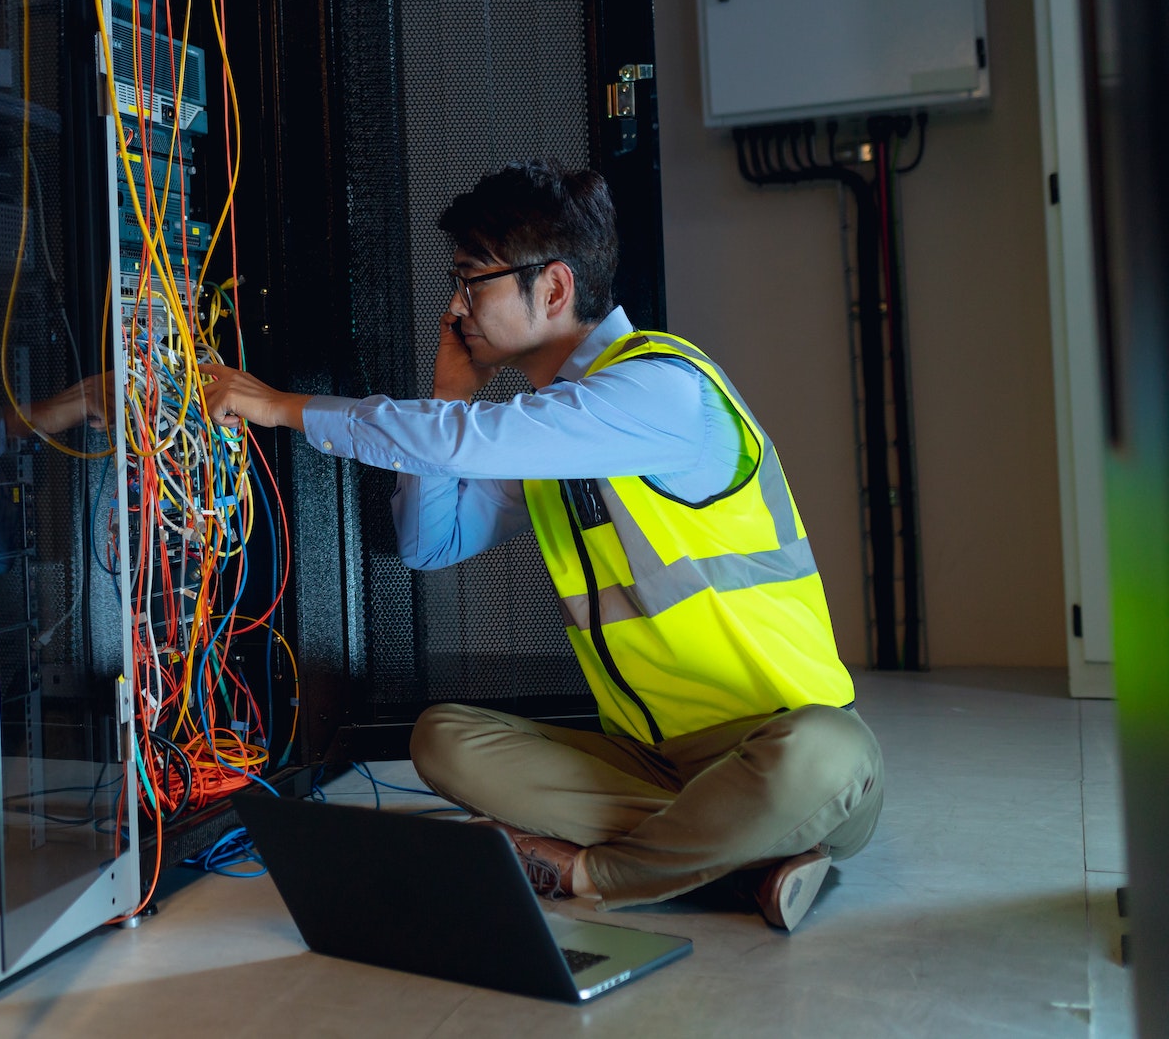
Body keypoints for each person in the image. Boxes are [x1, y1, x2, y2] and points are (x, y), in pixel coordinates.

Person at [198, 163, 881, 931]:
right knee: (443, 738)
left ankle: (595, 871)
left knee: (826, 754)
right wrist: (449, 393)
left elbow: (469, 445)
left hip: (778, 743)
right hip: (652, 766)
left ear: (553, 290)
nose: (456, 306)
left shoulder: (661, 390)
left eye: (471, 280)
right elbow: (430, 542)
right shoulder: (555, 429)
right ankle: (743, 855)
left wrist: (283, 407)